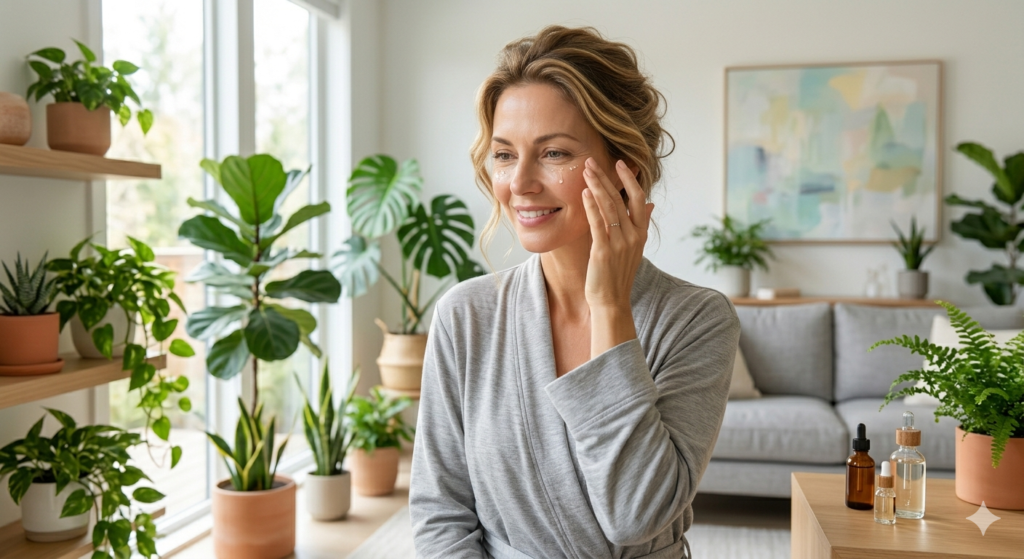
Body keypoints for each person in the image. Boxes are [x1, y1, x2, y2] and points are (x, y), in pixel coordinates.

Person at [409, 25, 740, 559]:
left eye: (554, 153)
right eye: (503, 154)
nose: (519, 183)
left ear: (623, 165)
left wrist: (610, 308)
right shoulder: (464, 316)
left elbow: (638, 516)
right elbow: (439, 512)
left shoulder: (697, 320)